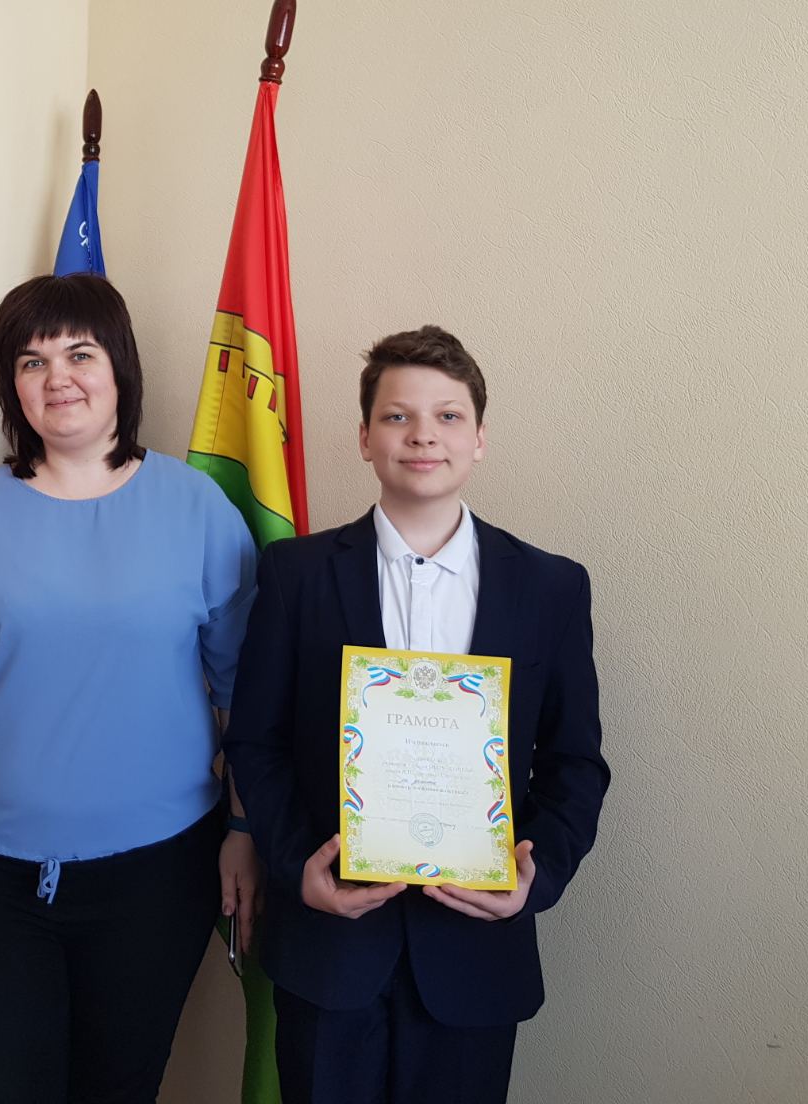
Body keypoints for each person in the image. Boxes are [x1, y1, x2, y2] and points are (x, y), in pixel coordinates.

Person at [0, 274, 260, 1104]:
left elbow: (243, 691)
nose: (58, 377)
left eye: (79, 353)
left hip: (158, 876)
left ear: (119, 365)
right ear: (12, 386)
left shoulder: (197, 508)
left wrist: (242, 827)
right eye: (32, 361)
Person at [224, 326, 610, 1103]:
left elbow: (576, 764)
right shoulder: (296, 574)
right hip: (329, 949)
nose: (423, 435)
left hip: (475, 953)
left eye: (448, 416)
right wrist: (299, 867)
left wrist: (533, 879)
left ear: (480, 438)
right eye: (397, 416)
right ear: (364, 438)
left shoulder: (550, 587)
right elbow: (256, 743)